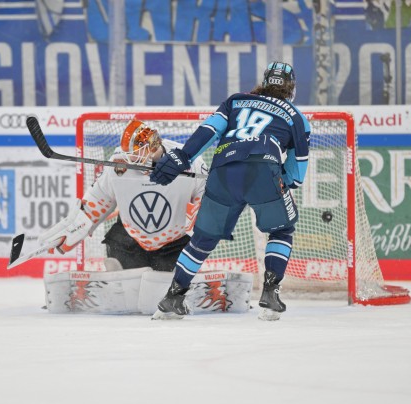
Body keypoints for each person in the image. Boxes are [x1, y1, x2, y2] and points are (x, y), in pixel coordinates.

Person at [149, 61, 311, 321]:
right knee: (281, 229)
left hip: (223, 170)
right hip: (263, 172)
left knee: (202, 239)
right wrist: (285, 181)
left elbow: (208, 131)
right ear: (291, 87)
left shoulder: (236, 101)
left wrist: (182, 157)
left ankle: (173, 297)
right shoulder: (295, 116)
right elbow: (297, 172)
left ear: (264, 81)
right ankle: (270, 293)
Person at [38, 119, 208, 272]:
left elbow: (207, 193)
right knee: (117, 273)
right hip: (129, 239)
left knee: (168, 287)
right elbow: (98, 198)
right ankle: (117, 277)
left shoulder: (190, 163)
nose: (128, 157)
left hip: (174, 242)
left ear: (152, 148)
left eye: (135, 152)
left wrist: (203, 213)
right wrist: (76, 225)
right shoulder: (118, 164)